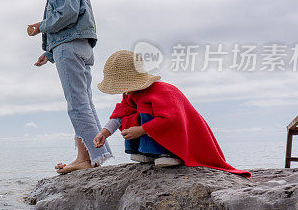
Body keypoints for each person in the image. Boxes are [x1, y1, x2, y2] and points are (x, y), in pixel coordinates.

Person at [92, 50, 251, 177]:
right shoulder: (130, 94)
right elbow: (120, 115)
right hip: (153, 130)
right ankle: (146, 152)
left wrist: (140, 130)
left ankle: (169, 154)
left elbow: (171, 120)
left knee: (147, 113)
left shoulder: (162, 92)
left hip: (175, 133)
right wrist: (104, 133)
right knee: (130, 114)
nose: (123, 91)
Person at [27, 0, 114, 174]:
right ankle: (92, 156)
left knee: (76, 103)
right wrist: (49, 54)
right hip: (80, 47)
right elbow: (73, 23)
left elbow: (68, 14)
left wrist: (41, 26)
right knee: (85, 102)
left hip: (70, 48)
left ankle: (88, 157)